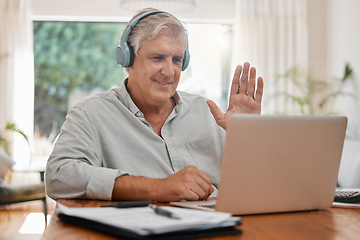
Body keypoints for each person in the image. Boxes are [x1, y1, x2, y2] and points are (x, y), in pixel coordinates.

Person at [45, 8, 263, 202]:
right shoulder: (90, 114)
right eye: (158, 58)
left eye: (177, 59)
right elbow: (59, 175)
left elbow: (252, 185)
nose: (169, 72)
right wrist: (158, 187)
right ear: (127, 60)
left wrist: (249, 136)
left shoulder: (208, 113)